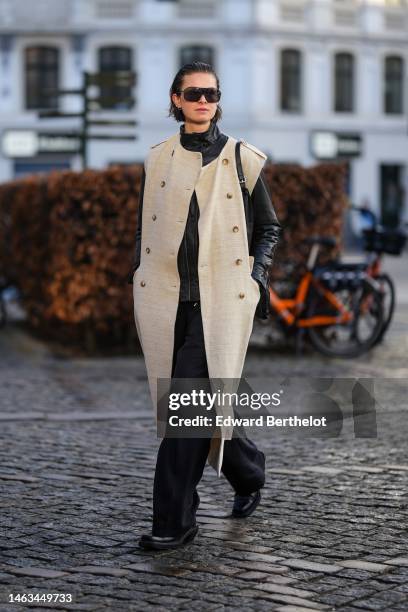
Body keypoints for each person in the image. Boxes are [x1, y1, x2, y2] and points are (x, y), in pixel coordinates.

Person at [127, 61, 282, 550]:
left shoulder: (242, 159)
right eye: (193, 93)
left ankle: (174, 521)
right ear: (175, 99)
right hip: (166, 302)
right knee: (202, 406)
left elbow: (269, 228)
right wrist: (138, 273)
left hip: (221, 301)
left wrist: (255, 278)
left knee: (185, 408)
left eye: (211, 94)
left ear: (218, 101)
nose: (203, 102)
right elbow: (145, 230)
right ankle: (248, 470)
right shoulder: (157, 159)